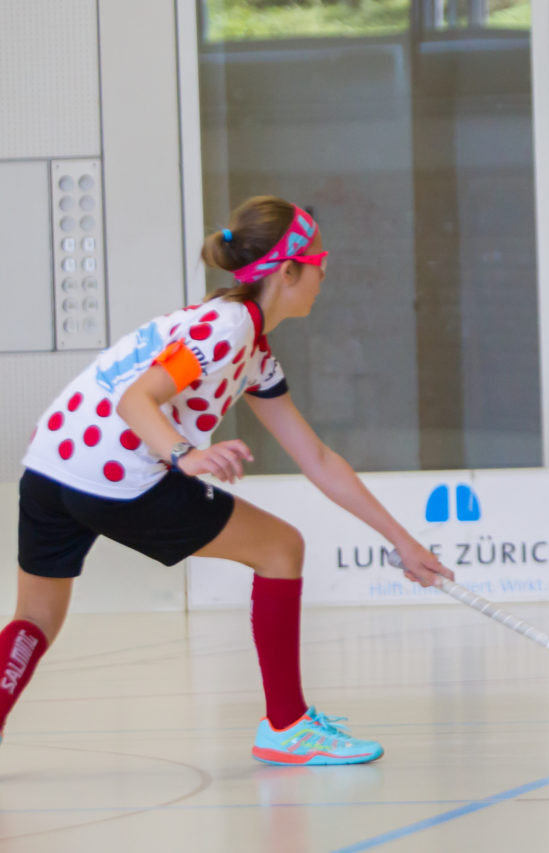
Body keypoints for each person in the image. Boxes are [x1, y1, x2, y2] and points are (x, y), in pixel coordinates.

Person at [4, 196, 452, 763]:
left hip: (48, 467)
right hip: (118, 475)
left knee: (35, 618)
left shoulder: (250, 349)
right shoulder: (227, 328)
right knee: (280, 548)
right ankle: (287, 725)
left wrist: (402, 541)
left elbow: (316, 457)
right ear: (287, 271)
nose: (324, 274)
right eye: (320, 262)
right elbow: (137, 399)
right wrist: (182, 454)